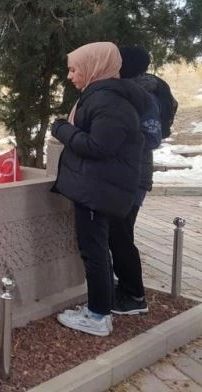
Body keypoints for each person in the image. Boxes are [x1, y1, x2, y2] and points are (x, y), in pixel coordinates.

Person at [50, 42, 150, 336]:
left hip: (98, 189)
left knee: (94, 251)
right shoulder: (102, 97)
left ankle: (98, 317)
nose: (70, 76)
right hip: (97, 186)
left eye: (73, 69)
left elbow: (99, 146)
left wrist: (61, 129)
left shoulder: (108, 101)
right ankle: (99, 308)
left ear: (93, 67)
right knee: (96, 250)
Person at [109, 46, 179, 315]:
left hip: (133, 173)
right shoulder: (150, 87)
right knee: (121, 232)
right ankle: (127, 288)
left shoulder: (139, 93)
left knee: (121, 234)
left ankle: (133, 295)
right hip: (134, 172)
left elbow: (150, 136)